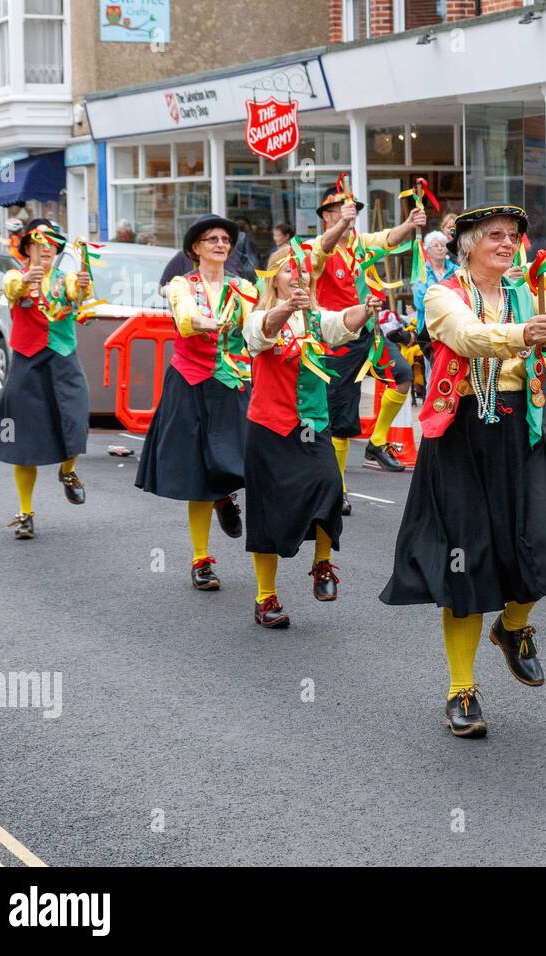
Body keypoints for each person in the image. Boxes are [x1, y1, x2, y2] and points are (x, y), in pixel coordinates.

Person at [379, 204, 546, 739]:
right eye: (495, 236)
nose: (507, 243)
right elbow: (466, 337)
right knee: (466, 564)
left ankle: (513, 627)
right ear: (468, 245)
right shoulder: (442, 295)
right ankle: (461, 690)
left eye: (512, 237)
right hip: (460, 439)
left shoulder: (527, 292)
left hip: (518, 431)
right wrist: (525, 334)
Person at [241, 247, 381, 628]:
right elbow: (263, 335)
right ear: (273, 278)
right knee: (267, 513)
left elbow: (343, 322)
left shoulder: (317, 319)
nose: (298, 276)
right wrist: (288, 308)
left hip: (311, 424)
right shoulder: (256, 316)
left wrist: (366, 308)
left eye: (303, 271)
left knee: (330, 485)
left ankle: (322, 564)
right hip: (269, 426)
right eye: (289, 270)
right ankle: (265, 598)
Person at [136, 214, 255, 591]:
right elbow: (186, 319)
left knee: (240, 460)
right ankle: (201, 560)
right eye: (211, 239)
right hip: (190, 380)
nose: (221, 244)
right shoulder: (180, 284)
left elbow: (255, 326)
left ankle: (224, 497)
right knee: (197, 475)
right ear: (195, 249)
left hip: (232, 380)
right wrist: (213, 323)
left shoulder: (245, 287)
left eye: (225, 239)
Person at [310, 181, 427, 492]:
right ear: (327, 216)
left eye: (351, 211)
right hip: (336, 341)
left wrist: (409, 223)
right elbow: (322, 249)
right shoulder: (317, 248)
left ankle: (377, 441)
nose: (348, 215)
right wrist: (344, 223)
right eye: (340, 210)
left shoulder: (361, 245)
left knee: (403, 375)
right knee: (341, 421)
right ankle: (339, 489)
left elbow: (389, 239)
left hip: (368, 335)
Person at [0, 220, 93, 540]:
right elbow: (12, 290)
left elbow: (77, 294)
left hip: (63, 356)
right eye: (39, 241)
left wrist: (83, 286)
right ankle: (25, 512)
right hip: (28, 361)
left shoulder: (66, 279)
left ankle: (68, 472)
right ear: (28, 247)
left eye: (52, 242)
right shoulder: (15, 275)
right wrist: (25, 281)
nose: (46, 247)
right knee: (23, 440)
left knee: (76, 416)